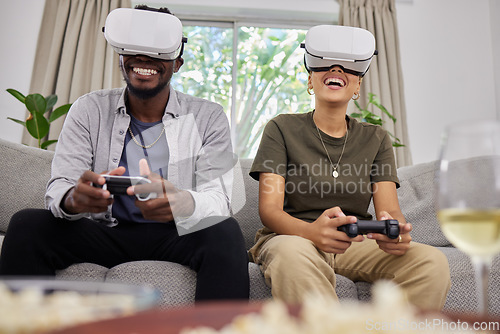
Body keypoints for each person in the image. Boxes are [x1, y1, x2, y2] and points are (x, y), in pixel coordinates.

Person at [0, 5, 250, 301]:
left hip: (175, 235)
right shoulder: (89, 109)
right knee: (27, 224)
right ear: (121, 55)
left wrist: (181, 202)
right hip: (104, 231)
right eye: (134, 48)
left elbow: (220, 201)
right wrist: (74, 199)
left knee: (225, 232)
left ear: (178, 62)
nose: (144, 58)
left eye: (158, 51)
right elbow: (60, 187)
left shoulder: (208, 116)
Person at [248, 25, 450, 310]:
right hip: (292, 238)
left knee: (432, 263)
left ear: (357, 86)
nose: (336, 69)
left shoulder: (376, 138)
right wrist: (313, 233)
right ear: (310, 80)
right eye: (325, 65)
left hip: (354, 243)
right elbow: (269, 211)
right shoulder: (281, 128)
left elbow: (389, 211)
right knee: (292, 254)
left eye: (349, 68)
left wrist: (397, 233)